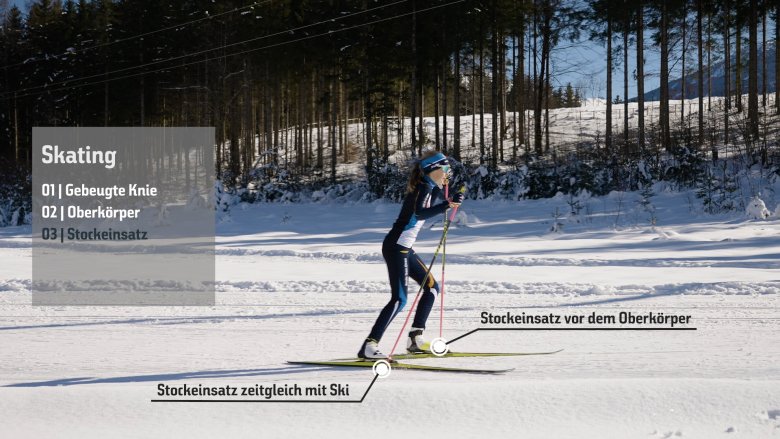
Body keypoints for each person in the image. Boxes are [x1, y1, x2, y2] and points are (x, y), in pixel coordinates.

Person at [358, 151, 464, 360]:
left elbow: (431, 202)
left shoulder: (429, 187)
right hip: (396, 247)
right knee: (400, 299)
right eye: (445, 170)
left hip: (404, 248)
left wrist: (450, 196)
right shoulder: (423, 187)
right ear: (432, 170)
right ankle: (369, 346)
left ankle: (415, 338)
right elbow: (419, 213)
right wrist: (447, 204)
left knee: (432, 288)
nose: (448, 173)